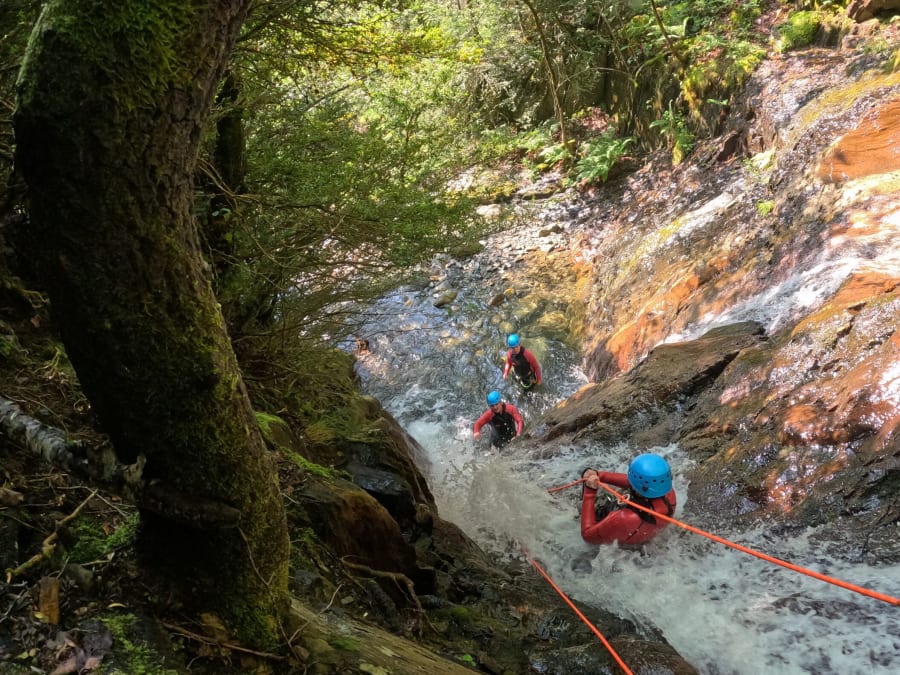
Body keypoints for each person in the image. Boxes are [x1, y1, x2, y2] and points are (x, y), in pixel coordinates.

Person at [579, 453, 676, 548]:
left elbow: (587, 536)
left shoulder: (624, 517)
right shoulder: (669, 493)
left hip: (623, 543)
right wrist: (600, 475)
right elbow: (638, 482)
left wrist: (590, 492)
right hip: (640, 535)